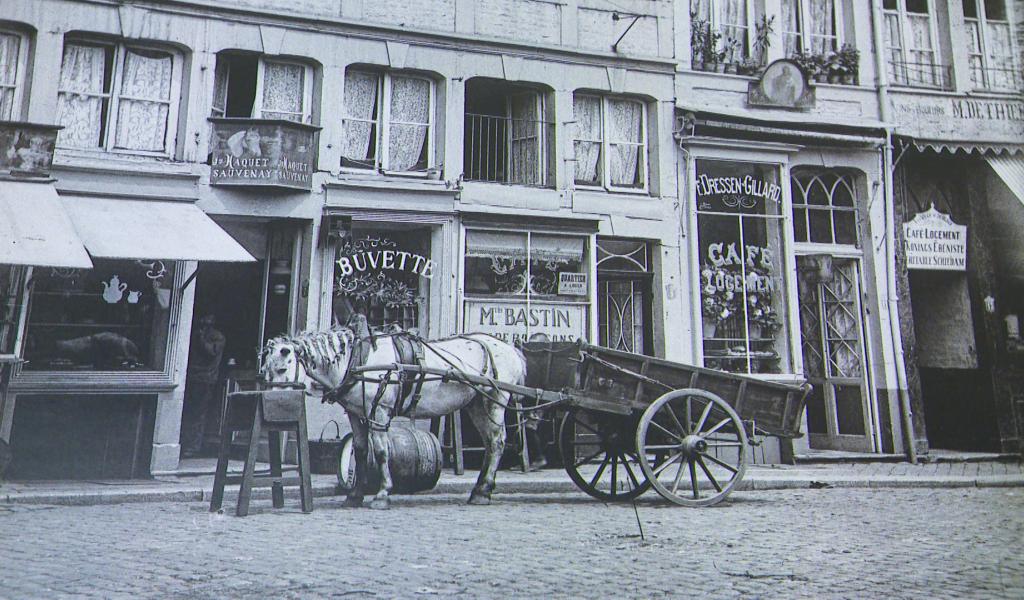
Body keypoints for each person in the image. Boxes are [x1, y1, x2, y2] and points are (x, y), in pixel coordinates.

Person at [180, 314, 226, 458]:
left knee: (198, 413)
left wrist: (200, 339)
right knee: (190, 412)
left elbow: (211, 352)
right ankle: (187, 443)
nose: (204, 322)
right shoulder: (197, 334)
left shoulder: (217, 337)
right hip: (193, 377)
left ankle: (193, 446)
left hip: (206, 379)